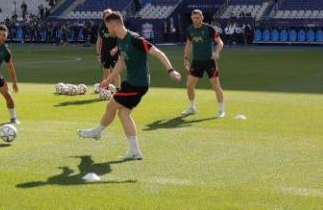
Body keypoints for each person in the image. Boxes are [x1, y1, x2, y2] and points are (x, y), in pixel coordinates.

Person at [77, 11, 181, 160]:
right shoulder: (120, 40)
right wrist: (109, 80)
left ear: (113, 25)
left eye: (107, 27)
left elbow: (157, 52)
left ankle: (98, 131)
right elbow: (121, 62)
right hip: (131, 82)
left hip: (138, 84)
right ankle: (135, 151)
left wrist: (171, 70)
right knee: (123, 113)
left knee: (111, 105)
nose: (106, 30)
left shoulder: (135, 39)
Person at [181, 9, 226, 118]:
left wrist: (216, 52)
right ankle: (192, 108)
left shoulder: (209, 29)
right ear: (191, 18)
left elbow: (220, 42)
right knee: (189, 86)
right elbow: (188, 44)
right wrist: (186, 58)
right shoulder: (189, 30)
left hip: (210, 61)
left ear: (202, 17)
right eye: (194, 17)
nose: (196, 19)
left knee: (215, 86)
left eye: (198, 17)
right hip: (196, 61)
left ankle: (221, 110)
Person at [95, 8, 119, 81]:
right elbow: (99, 41)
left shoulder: (116, 26)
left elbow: (121, 40)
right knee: (105, 71)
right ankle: (106, 88)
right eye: (106, 16)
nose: (108, 18)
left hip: (114, 52)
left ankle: (118, 89)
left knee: (115, 72)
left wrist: (115, 49)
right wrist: (98, 54)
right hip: (104, 52)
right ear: (103, 17)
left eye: (109, 16)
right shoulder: (101, 27)